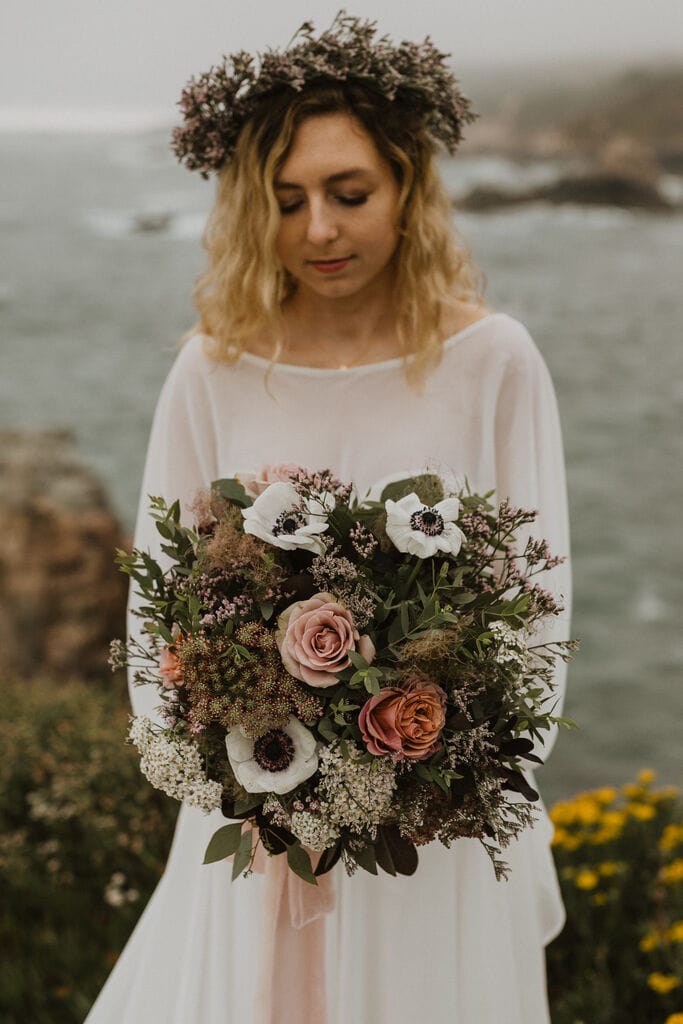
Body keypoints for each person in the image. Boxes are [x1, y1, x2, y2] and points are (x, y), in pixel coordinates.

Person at [86, 15, 571, 1024]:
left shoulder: (494, 362)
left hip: (430, 834)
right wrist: (241, 781)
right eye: (286, 200)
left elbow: (538, 605)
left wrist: (429, 774)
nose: (318, 230)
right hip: (254, 832)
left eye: (349, 195)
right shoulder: (212, 368)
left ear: (406, 189)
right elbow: (155, 614)